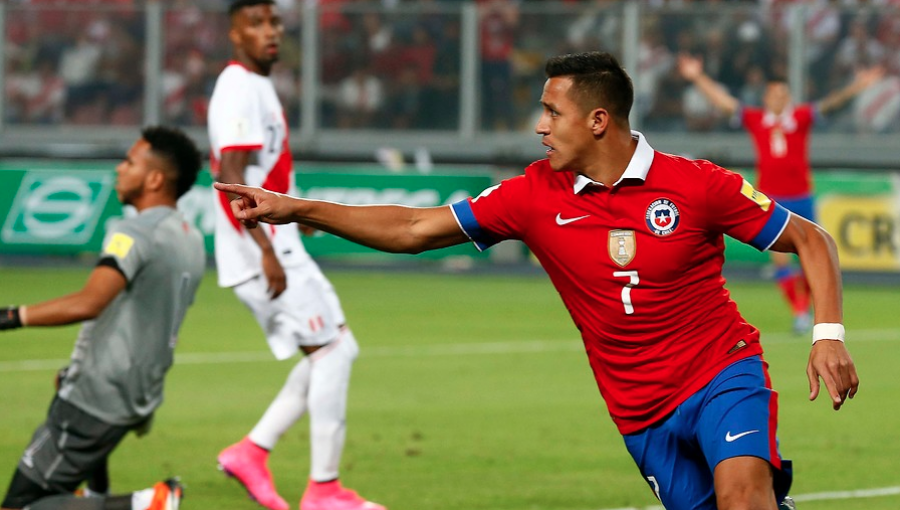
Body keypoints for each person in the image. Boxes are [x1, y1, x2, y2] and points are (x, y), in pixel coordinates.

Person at [214, 51, 860, 510]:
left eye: (552, 111)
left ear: (599, 121)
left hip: (723, 371)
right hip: (639, 410)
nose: (539, 125)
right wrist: (297, 208)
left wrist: (827, 333)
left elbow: (810, 238)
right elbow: (413, 228)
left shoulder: (698, 184)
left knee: (743, 499)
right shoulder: (531, 196)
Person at [207, 2, 384, 510]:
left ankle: (252, 452)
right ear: (233, 32)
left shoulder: (255, 85)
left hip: (274, 238)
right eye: (257, 23)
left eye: (275, 22)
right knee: (333, 351)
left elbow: (259, 172)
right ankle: (323, 490)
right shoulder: (239, 84)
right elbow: (231, 174)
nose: (271, 32)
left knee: (332, 349)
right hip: (260, 246)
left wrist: (297, 211)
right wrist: (265, 249)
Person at [0, 125, 206, 510]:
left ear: (155, 178)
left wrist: (11, 316)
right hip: (137, 390)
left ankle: (146, 504)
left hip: (96, 397)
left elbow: (89, 303)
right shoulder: (190, 238)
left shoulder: (135, 232)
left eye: (129, 162)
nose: (118, 169)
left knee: (19, 507)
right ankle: (97, 497)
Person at [677, 53, 883, 334]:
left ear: (788, 97)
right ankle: (799, 311)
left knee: (811, 256)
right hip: (771, 198)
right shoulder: (756, 119)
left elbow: (830, 104)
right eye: (774, 94)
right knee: (781, 260)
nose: (779, 99)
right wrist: (697, 77)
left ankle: (807, 305)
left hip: (802, 197)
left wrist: (858, 87)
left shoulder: (799, 118)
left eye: (783, 94)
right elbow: (724, 104)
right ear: (766, 97)